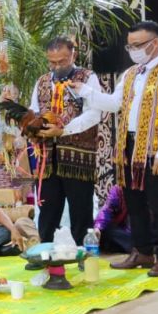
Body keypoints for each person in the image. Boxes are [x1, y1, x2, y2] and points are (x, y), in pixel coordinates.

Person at [73, 20, 158, 277]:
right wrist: (85, 91)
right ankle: (142, 251)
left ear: (154, 43)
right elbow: (115, 104)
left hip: (154, 148)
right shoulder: (130, 74)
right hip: (128, 145)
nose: (133, 50)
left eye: (138, 45)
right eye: (130, 45)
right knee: (134, 202)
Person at [27, 37, 103, 245]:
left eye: (62, 61)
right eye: (52, 62)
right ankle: (46, 257)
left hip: (77, 157)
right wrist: (32, 125)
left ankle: (83, 257)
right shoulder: (42, 81)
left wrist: (64, 131)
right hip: (47, 159)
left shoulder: (87, 77)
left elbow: (94, 114)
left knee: (81, 212)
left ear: (73, 55)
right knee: (48, 211)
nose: (56, 66)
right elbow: (34, 110)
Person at [95, 184, 158, 254]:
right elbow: (107, 210)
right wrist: (98, 227)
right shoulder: (118, 189)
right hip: (129, 234)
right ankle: (145, 248)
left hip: (154, 231)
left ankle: (144, 249)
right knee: (107, 232)